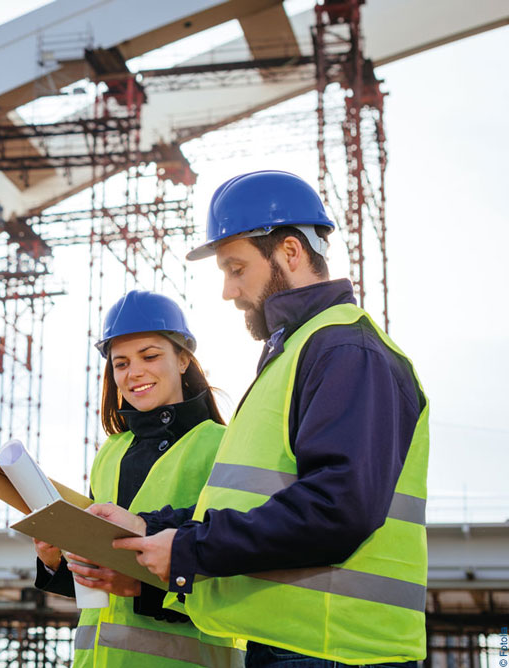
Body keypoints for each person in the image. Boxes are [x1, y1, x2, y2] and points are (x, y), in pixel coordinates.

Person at [94, 171, 429, 667]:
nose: (229, 291)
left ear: (290, 253)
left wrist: (189, 550)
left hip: (338, 650)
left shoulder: (345, 349)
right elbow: (258, 505)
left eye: (236, 268)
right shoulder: (300, 353)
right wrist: (147, 526)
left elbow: (339, 508)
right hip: (297, 643)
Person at [34, 290, 243, 668]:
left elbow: (238, 567)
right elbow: (99, 583)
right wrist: (56, 561)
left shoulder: (222, 446)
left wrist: (142, 590)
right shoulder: (110, 453)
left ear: (183, 359)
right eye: (121, 363)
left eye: (150, 356)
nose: (134, 373)